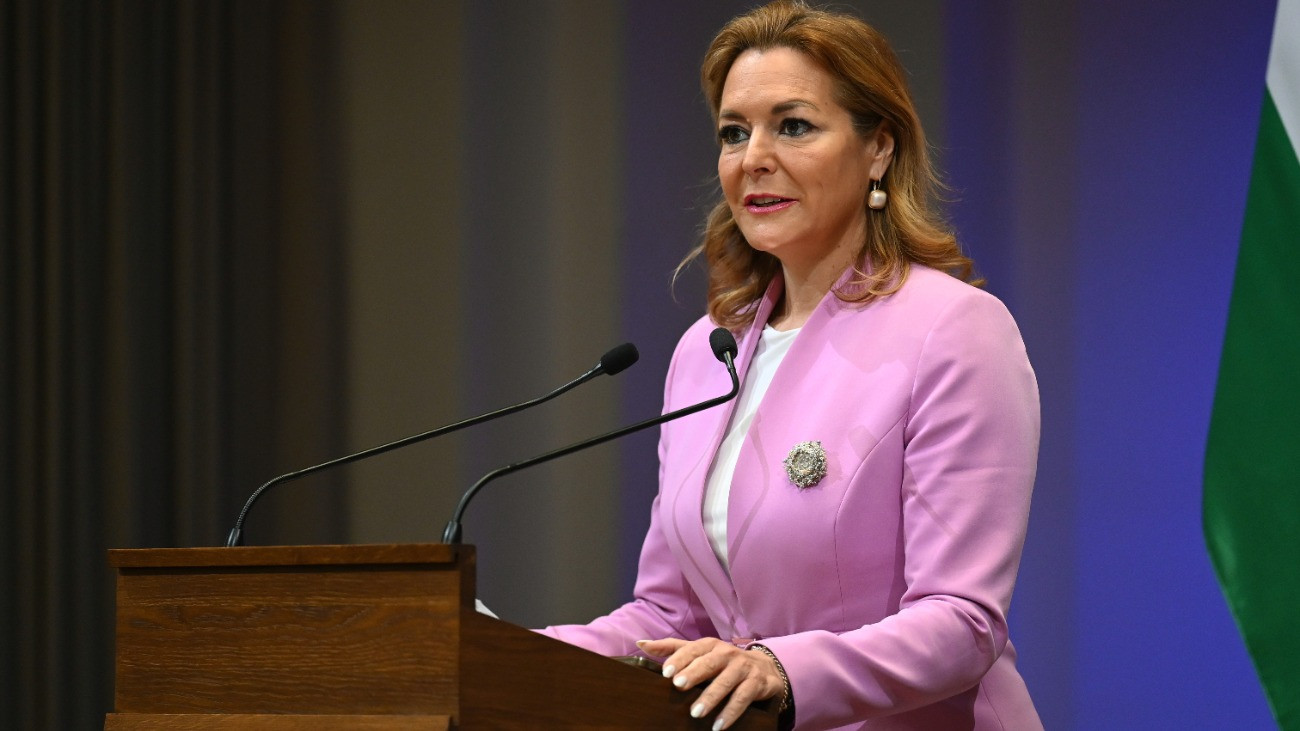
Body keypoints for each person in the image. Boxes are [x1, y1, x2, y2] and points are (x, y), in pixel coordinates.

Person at [540, 2, 1041, 728]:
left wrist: (781, 668)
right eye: (734, 133)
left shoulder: (955, 330)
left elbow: (962, 620)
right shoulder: (706, 350)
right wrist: (503, 655)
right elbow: (671, 615)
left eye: (794, 125)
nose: (753, 158)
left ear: (879, 149)